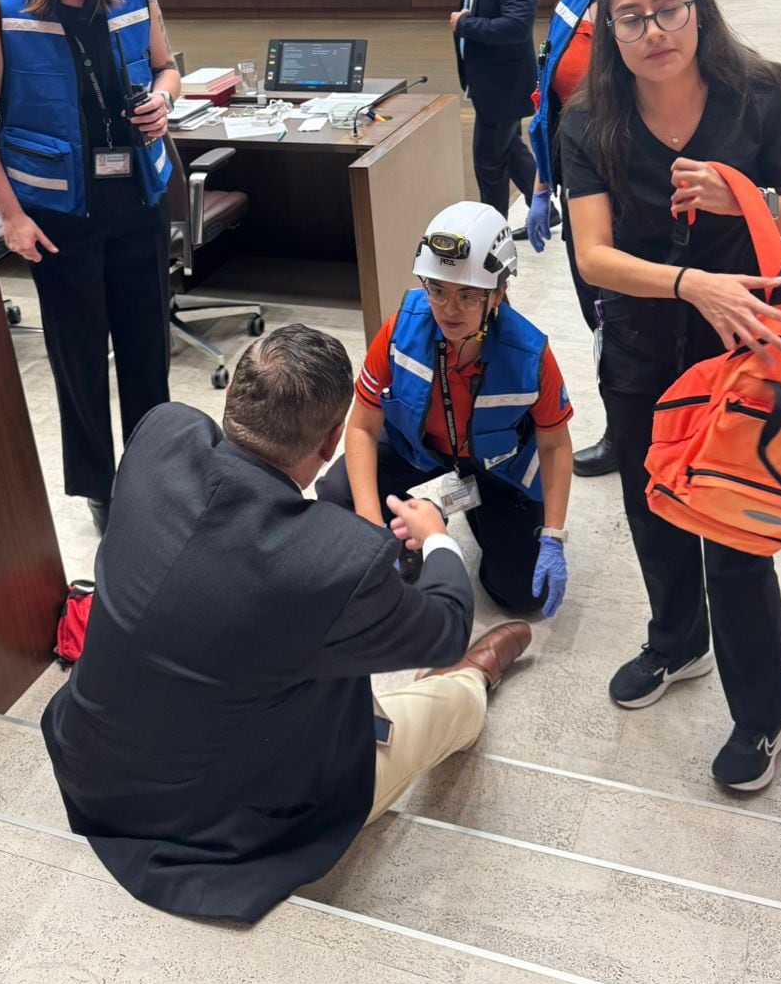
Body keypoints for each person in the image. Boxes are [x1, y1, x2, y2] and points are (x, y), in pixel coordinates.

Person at [41, 324, 532, 923]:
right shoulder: (335, 559)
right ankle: (469, 687)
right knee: (442, 707)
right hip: (209, 826)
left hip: (91, 764)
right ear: (330, 446)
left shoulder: (160, 437)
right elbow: (448, 625)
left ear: (234, 401)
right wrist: (436, 539)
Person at [560, 0, 781, 793]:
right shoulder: (586, 120)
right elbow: (593, 255)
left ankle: (765, 712)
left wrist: (741, 194)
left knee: (735, 529)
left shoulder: (760, 94)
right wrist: (689, 284)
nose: (654, 31)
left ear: (697, 6)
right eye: (630, 18)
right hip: (642, 345)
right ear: (611, 28)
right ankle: (678, 643)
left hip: (746, 350)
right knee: (652, 506)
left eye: (669, 8)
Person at [0, 0, 180, 536]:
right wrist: (11, 218)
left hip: (137, 204)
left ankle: (155, 472)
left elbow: (167, 66)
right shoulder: (5, 13)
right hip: (60, 217)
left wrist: (165, 100)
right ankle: (98, 484)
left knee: (147, 347)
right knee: (79, 359)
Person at [318, 201, 573, 618]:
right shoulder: (401, 328)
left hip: (497, 471)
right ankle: (410, 535)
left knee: (524, 596)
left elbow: (556, 447)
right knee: (337, 492)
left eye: (468, 295)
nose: (449, 310)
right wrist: (369, 526)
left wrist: (554, 536)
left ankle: (459, 508)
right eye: (437, 290)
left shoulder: (529, 355)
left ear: (499, 292)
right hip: (418, 452)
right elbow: (362, 427)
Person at [525, 0, 665, 479]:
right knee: (604, 321)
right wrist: (539, 183)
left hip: (648, 208)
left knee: (653, 329)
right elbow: (547, 101)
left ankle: (672, 435)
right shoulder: (571, 8)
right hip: (584, 204)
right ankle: (624, 428)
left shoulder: (672, 14)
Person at [451, 0, 539, 219]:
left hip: (503, 85)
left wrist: (465, 25)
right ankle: (546, 206)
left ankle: (493, 235)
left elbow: (517, 27)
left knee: (488, 165)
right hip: (491, 80)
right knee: (510, 149)